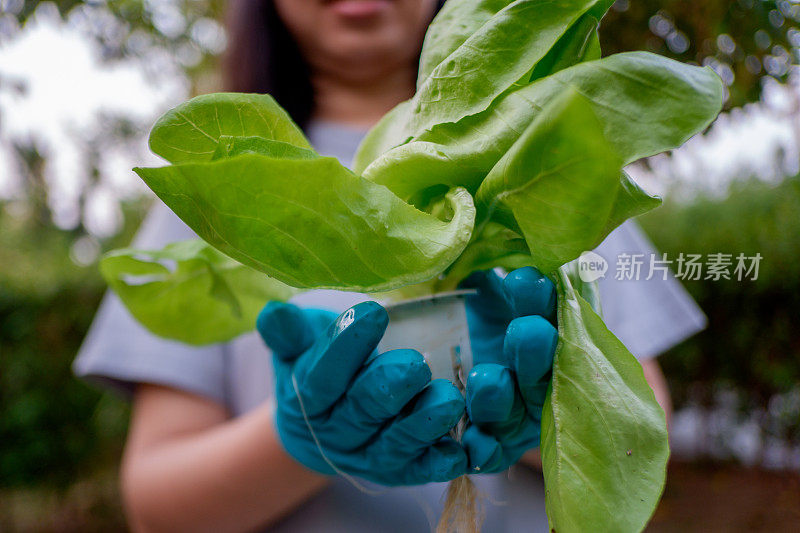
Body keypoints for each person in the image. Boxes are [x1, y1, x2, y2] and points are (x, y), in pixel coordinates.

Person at [74, 1, 706, 531]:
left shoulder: (556, 153)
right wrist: (309, 435)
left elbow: (638, 428)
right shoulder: (216, 193)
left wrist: (547, 404)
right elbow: (156, 505)